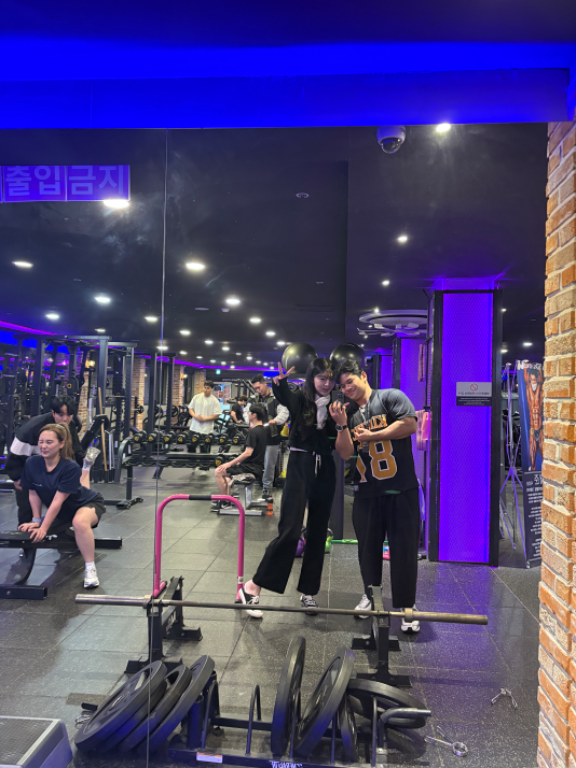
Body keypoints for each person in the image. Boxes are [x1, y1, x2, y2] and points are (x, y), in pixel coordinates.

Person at [240, 358, 337, 618]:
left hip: (326, 466)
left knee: (317, 531)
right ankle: (252, 587)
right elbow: (285, 397)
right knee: (290, 530)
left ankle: (308, 591)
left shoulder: (337, 402)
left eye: (331, 379)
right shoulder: (300, 398)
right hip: (300, 463)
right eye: (322, 378)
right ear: (312, 378)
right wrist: (279, 383)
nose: (327, 384)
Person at [330, 359, 421, 633]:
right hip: (366, 492)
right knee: (367, 551)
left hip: (400, 490)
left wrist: (372, 435)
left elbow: (409, 425)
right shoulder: (348, 414)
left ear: (363, 375)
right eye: (342, 385)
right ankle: (370, 596)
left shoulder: (390, 397)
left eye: (350, 381)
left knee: (404, 551)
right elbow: (345, 453)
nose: (347, 388)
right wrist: (341, 425)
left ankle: (407, 606)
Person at [17, 424, 106, 588]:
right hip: (62, 510)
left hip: (86, 503)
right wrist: (36, 520)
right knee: (35, 528)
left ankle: (90, 568)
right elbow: (33, 493)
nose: (43, 446)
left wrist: (44, 528)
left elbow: (58, 500)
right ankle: (75, 537)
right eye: (41, 442)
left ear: (61, 444)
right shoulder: (32, 463)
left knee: (79, 522)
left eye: (49, 442)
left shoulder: (70, 467)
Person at [5, 395, 86, 525]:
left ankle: (62, 534)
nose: (65, 419)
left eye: (69, 415)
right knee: (27, 509)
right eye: (61, 414)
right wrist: (17, 478)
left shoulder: (69, 425)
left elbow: (75, 450)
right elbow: (14, 457)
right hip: (28, 471)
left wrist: (82, 466)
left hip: (55, 470)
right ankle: (27, 536)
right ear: (53, 412)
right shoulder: (31, 429)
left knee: (65, 506)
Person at [212, 403, 268, 512]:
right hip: (256, 466)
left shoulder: (254, 432)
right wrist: (237, 463)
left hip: (250, 468)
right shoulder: (263, 430)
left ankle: (225, 503)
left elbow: (248, 453)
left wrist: (229, 463)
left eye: (249, 412)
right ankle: (226, 499)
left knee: (218, 471)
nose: (248, 413)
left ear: (254, 415)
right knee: (226, 477)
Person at [250, 374, 289, 503]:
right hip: (257, 438)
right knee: (252, 463)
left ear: (264, 383)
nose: (258, 390)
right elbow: (246, 412)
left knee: (269, 465)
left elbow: (284, 413)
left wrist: (276, 420)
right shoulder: (254, 399)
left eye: (259, 387)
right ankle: (248, 488)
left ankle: (267, 489)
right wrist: (249, 421)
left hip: (272, 437)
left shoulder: (277, 398)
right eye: (255, 389)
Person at [188, 380, 222, 454]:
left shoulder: (214, 401)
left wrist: (204, 419)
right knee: (190, 449)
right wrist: (195, 416)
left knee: (204, 452)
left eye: (208, 388)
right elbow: (190, 409)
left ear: (212, 389)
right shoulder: (196, 397)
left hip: (206, 430)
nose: (205, 390)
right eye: (205, 388)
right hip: (194, 428)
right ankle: (191, 461)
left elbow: (216, 415)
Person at [524, 366, 544, 470]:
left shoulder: (540, 388)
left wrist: (539, 368)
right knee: (532, 454)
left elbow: (540, 380)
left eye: (535, 380)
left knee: (544, 452)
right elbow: (525, 379)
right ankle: (532, 470)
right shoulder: (528, 388)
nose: (534, 382)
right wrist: (525, 366)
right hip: (532, 427)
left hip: (540, 427)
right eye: (532, 380)